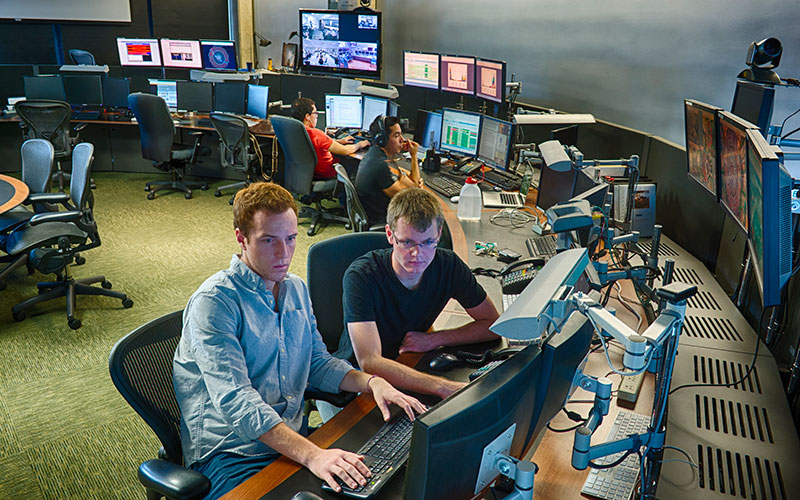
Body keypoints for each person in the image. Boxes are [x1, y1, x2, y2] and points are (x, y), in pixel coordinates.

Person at [173, 182, 425, 500]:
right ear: (241, 238)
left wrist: (372, 382)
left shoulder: (294, 288)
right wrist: (312, 455)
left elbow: (316, 362)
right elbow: (238, 402)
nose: (284, 254)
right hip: (231, 454)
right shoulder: (215, 303)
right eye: (269, 241)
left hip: (289, 439)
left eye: (290, 239)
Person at [339, 188, 500, 399]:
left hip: (410, 361)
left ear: (439, 234)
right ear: (390, 234)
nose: (418, 254)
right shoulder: (361, 276)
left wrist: (435, 339)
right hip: (357, 381)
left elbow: (493, 324)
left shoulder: (448, 266)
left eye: (427, 243)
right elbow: (370, 361)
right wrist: (442, 387)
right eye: (407, 242)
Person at [354, 115, 423, 226]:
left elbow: (412, 185)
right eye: (396, 136)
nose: (402, 140)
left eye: (401, 134)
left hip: (379, 212)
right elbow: (411, 195)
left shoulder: (376, 155)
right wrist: (414, 156)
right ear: (382, 140)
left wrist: (414, 182)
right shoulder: (381, 165)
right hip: (382, 219)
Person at [291, 97, 370, 179]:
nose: (317, 116)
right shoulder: (316, 134)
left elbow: (317, 145)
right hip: (328, 173)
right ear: (307, 116)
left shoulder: (294, 130)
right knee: (355, 165)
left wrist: (339, 141)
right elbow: (346, 151)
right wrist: (359, 145)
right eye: (315, 113)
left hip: (309, 173)